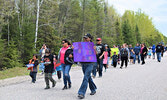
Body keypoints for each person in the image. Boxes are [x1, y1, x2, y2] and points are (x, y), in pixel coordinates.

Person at [78, 33, 97, 99]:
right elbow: (79, 52)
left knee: (85, 77)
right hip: (83, 63)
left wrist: (94, 49)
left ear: (90, 38)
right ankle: (93, 89)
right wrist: (74, 49)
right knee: (88, 77)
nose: (85, 39)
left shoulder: (93, 45)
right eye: (84, 38)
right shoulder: (82, 45)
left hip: (90, 63)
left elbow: (96, 54)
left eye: (86, 38)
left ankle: (81, 93)